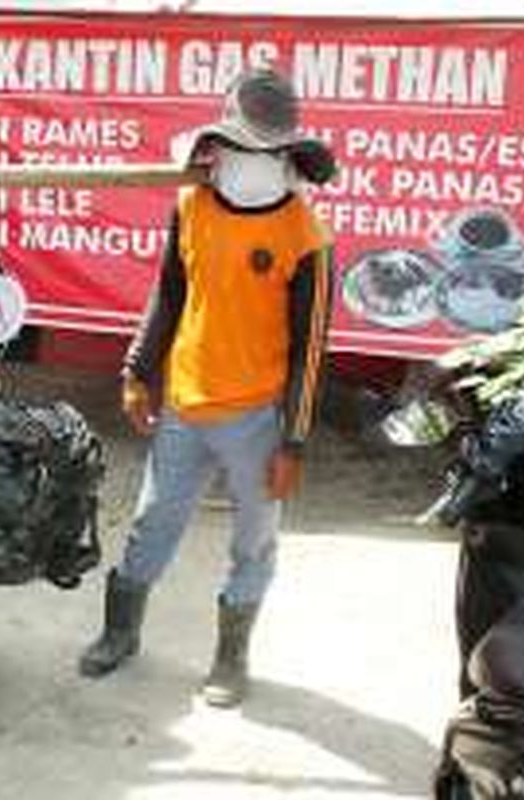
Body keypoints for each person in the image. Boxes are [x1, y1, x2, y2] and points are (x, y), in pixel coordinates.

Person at [78, 69, 336, 708]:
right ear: (215, 147)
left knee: (254, 539)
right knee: (151, 523)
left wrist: (295, 443)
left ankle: (230, 656)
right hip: (185, 405)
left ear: (284, 158)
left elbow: (310, 350)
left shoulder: (307, 236)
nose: (239, 163)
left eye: (257, 153)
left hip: (259, 417)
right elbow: (168, 292)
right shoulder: (191, 204)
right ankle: (119, 632)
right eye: (232, 149)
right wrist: (138, 371)